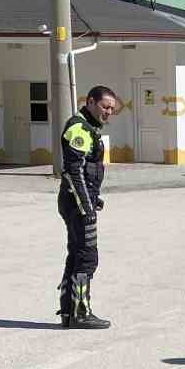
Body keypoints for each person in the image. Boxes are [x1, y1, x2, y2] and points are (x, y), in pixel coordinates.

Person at [57, 85, 120, 329]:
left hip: (78, 202)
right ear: (90, 102)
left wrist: (93, 199)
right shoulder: (79, 128)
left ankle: (68, 312)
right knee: (87, 258)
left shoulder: (88, 127)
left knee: (77, 255)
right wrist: (86, 206)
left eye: (112, 109)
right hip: (76, 205)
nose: (108, 112)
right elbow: (74, 172)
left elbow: (87, 172)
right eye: (105, 107)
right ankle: (80, 313)